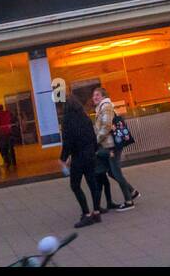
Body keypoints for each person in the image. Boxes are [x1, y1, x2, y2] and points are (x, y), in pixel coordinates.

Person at [58, 95, 103, 227]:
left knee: (75, 185)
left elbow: (68, 142)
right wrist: (94, 150)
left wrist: (63, 159)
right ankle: (96, 212)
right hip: (90, 155)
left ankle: (86, 214)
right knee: (92, 183)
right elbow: (93, 137)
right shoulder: (85, 118)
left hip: (78, 157)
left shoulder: (67, 121)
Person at [92, 86, 140, 211]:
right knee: (112, 172)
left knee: (116, 173)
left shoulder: (106, 106)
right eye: (93, 95)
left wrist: (96, 140)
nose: (94, 97)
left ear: (103, 96)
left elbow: (106, 126)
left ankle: (129, 201)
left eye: (97, 95)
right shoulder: (101, 108)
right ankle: (132, 192)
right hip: (108, 145)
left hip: (111, 146)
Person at [0, 104, 17, 170]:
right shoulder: (8, 113)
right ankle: (14, 162)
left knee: (3, 148)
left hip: (3, 135)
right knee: (11, 148)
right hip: (10, 133)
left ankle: (7, 161)